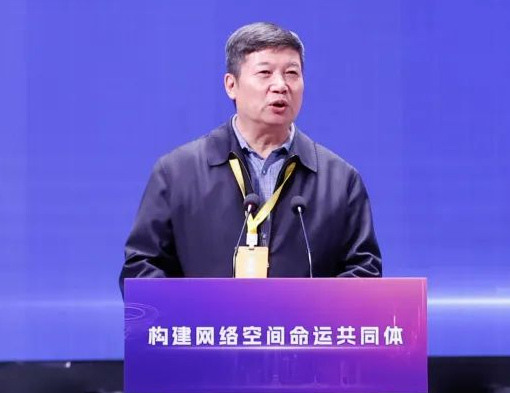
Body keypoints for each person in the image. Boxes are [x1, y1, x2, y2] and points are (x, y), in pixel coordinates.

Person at [120, 21, 381, 290]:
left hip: (302, 320)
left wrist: (308, 310)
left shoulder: (340, 180)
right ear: (231, 85)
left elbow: (364, 270)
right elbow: (141, 268)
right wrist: (196, 310)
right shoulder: (177, 173)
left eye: (292, 73)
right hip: (207, 319)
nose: (280, 85)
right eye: (265, 73)